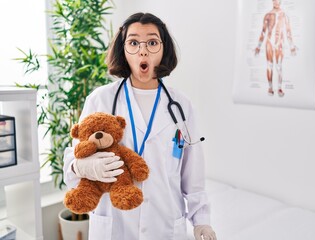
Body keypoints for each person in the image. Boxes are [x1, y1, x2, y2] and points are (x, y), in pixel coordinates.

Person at [63, 12, 217, 240]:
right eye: (133, 42)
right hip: (114, 224)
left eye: (152, 42)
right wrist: (81, 167)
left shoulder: (182, 106)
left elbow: (193, 176)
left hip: (165, 225)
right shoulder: (100, 100)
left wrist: (201, 221)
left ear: (164, 49)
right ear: (123, 50)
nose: (142, 51)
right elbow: (72, 160)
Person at [254, 0, 297, 97]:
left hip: (279, 43)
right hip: (269, 42)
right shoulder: (267, 15)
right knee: (269, 66)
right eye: (274, 0)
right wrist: (258, 46)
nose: (276, 2)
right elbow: (263, 32)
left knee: (279, 66)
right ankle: (270, 88)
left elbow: (288, 31)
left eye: (278, 0)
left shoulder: (284, 15)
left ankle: (279, 88)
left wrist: (292, 46)